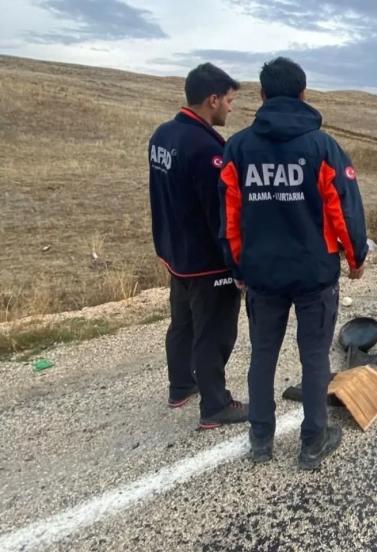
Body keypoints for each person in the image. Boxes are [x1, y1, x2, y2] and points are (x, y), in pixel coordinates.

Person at [218, 57, 368, 469]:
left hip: (261, 274)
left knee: (263, 355)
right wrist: (356, 258)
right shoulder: (322, 147)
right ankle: (312, 443)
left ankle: (260, 440)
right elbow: (345, 210)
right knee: (315, 357)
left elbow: (229, 217)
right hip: (314, 274)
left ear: (262, 95)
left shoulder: (239, 148)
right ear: (303, 94)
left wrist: (236, 267)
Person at [148, 63, 248, 429]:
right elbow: (220, 215)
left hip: (176, 254)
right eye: (229, 101)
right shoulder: (207, 150)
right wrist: (236, 264)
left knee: (183, 323)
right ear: (213, 99)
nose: (230, 109)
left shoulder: (163, 135)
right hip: (207, 261)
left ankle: (180, 386)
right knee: (215, 331)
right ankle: (216, 405)